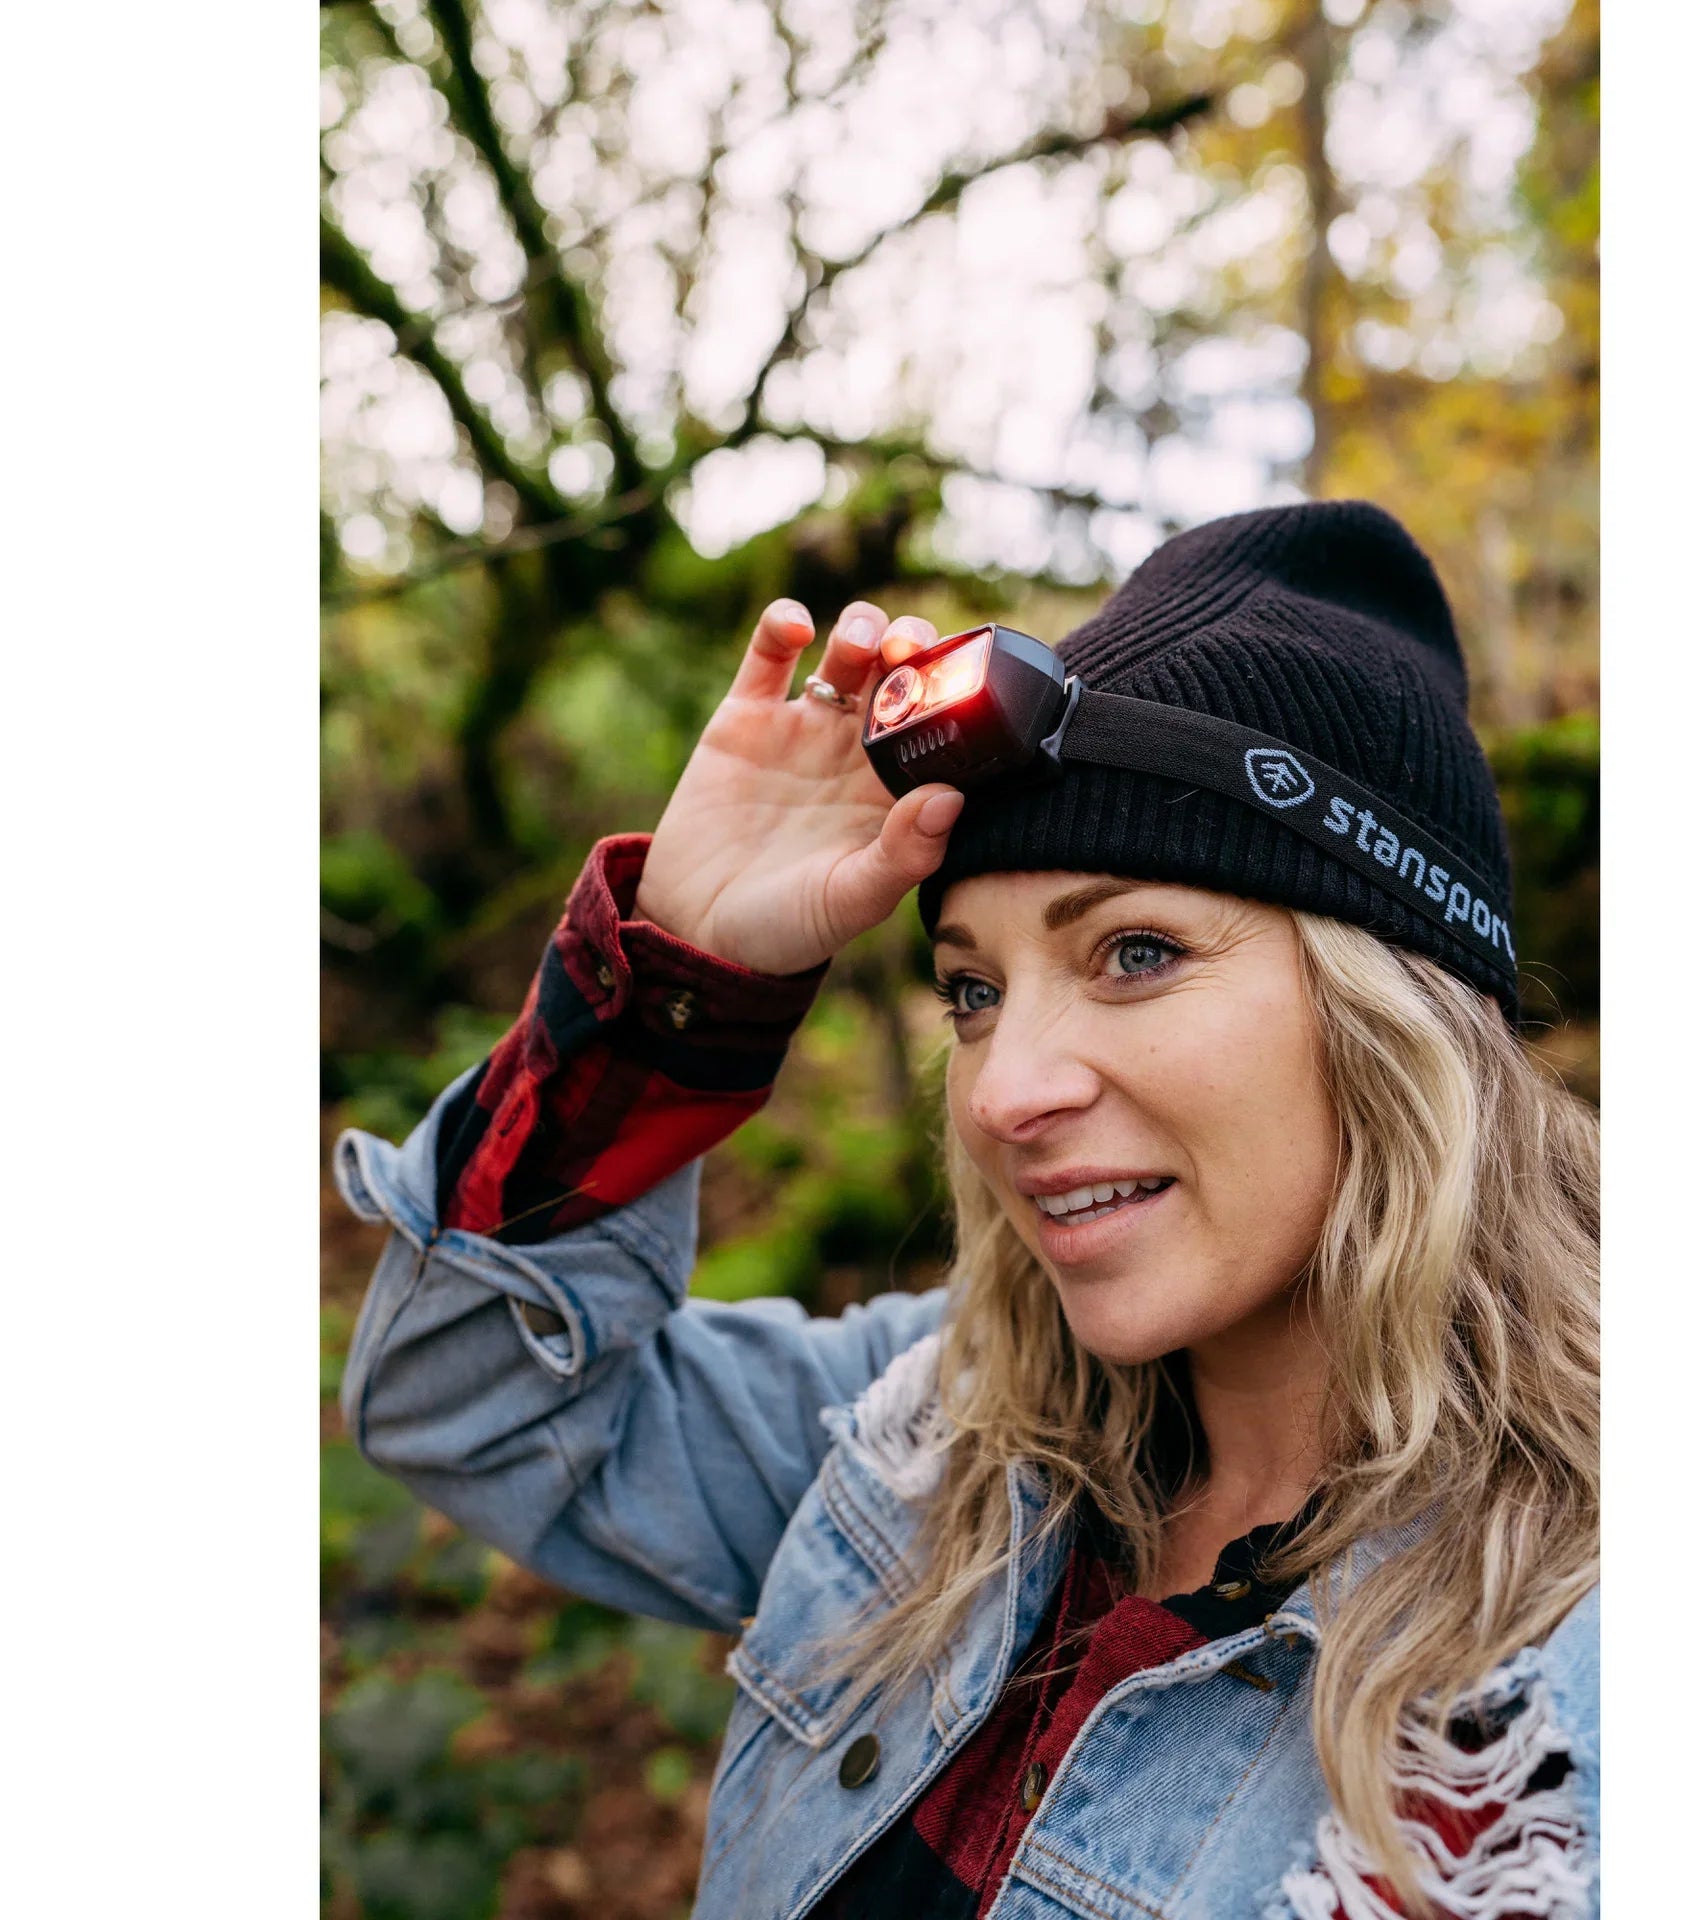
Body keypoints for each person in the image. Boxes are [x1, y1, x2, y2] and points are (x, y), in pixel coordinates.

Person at [336, 502, 1600, 1920]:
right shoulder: (941, 1433)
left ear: (1400, 1017)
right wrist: (680, 982)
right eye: (973, 992)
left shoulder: (1571, 1699)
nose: (1004, 1094)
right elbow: (471, 1403)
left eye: (1135, 951)